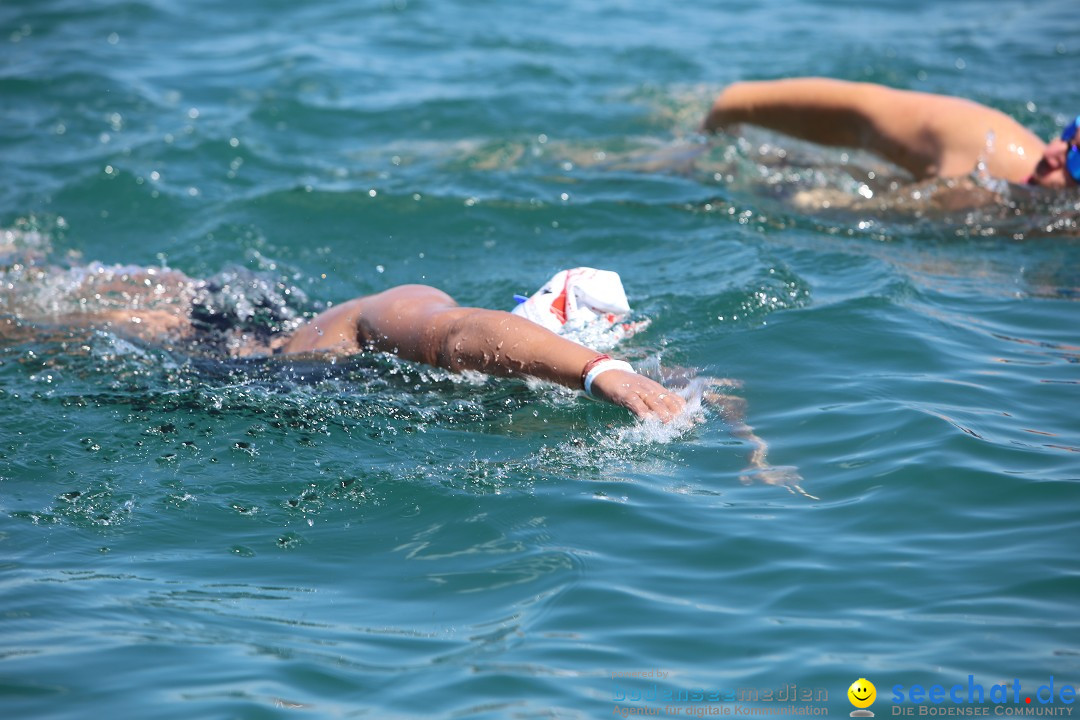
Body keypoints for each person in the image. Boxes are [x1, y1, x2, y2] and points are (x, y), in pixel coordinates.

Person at [702, 77, 1080, 190]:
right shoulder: (973, 138)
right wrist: (726, 114)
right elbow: (860, 108)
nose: (1052, 152)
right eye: (1068, 136)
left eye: (1077, 161)